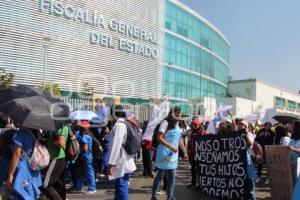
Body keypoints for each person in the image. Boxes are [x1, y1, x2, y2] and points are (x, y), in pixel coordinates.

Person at [151, 107, 188, 200]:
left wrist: (185, 152)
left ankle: (170, 197)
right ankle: (154, 196)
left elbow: (180, 140)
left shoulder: (179, 124)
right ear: (174, 114)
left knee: (172, 176)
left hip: (173, 154)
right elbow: (159, 138)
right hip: (164, 152)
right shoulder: (165, 123)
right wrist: (171, 147)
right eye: (179, 113)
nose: (180, 115)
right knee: (160, 175)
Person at [108, 105, 136, 200]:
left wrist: (111, 164)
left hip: (120, 160)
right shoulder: (124, 123)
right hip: (124, 158)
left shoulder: (119, 125)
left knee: (121, 186)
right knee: (119, 186)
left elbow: (116, 145)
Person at [6, 128, 42, 200]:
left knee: (22, 195)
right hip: (34, 166)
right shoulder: (37, 132)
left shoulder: (21, 132)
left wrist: (10, 174)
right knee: (31, 195)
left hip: (23, 169)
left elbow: (16, 154)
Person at [43, 125, 69, 200]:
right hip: (58, 159)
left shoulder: (60, 127)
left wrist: (48, 143)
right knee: (58, 185)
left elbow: (61, 143)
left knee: (46, 185)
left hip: (56, 159)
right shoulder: (59, 126)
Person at [73, 121, 96, 194]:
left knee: (88, 172)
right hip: (86, 156)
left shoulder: (85, 136)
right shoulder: (88, 135)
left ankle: (92, 188)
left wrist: (78, 149)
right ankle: (79, 187)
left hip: (86, 156)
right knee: (85, 171)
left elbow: (85, 148)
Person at [238, 121, 256, 200]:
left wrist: (245, 136)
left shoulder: (249, 134)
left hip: (247, 159)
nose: (240, 126)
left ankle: (252, 197)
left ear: (246, 127)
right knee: (242, 180)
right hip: (239, 159)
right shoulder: (237, 134)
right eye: (239, 125)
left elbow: (250, 144)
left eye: (242, 125)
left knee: (249, 180)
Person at [187, 118, 206, 189]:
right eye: (193, 124)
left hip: (200, 153)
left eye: (196, 124)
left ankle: (200, 184)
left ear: (199, 125)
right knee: (193, 169)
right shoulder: (192, 131)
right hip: (192, 153)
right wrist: (189, 150)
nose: (194, 126)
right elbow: (190, 142)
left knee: (199, 169)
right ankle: (193, 183)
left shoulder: (203, 132)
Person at [288, 120, 300, 184]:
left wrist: (293, 149)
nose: (291, 127)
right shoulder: (292, 138)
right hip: (290, 164)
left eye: (293, 125)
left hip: (298, 165)